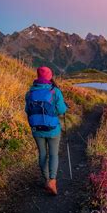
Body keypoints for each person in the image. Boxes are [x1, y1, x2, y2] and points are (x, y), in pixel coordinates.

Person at [25, 66, 67, 195]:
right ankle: (52, 181)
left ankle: (46, 179)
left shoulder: (30, 92)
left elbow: (27, 110)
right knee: (53, 154)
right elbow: (61, 110)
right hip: (53, 129)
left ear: (38, 76)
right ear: (50, 76)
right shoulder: (55, 91)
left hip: (36, 129)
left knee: (42, 154)